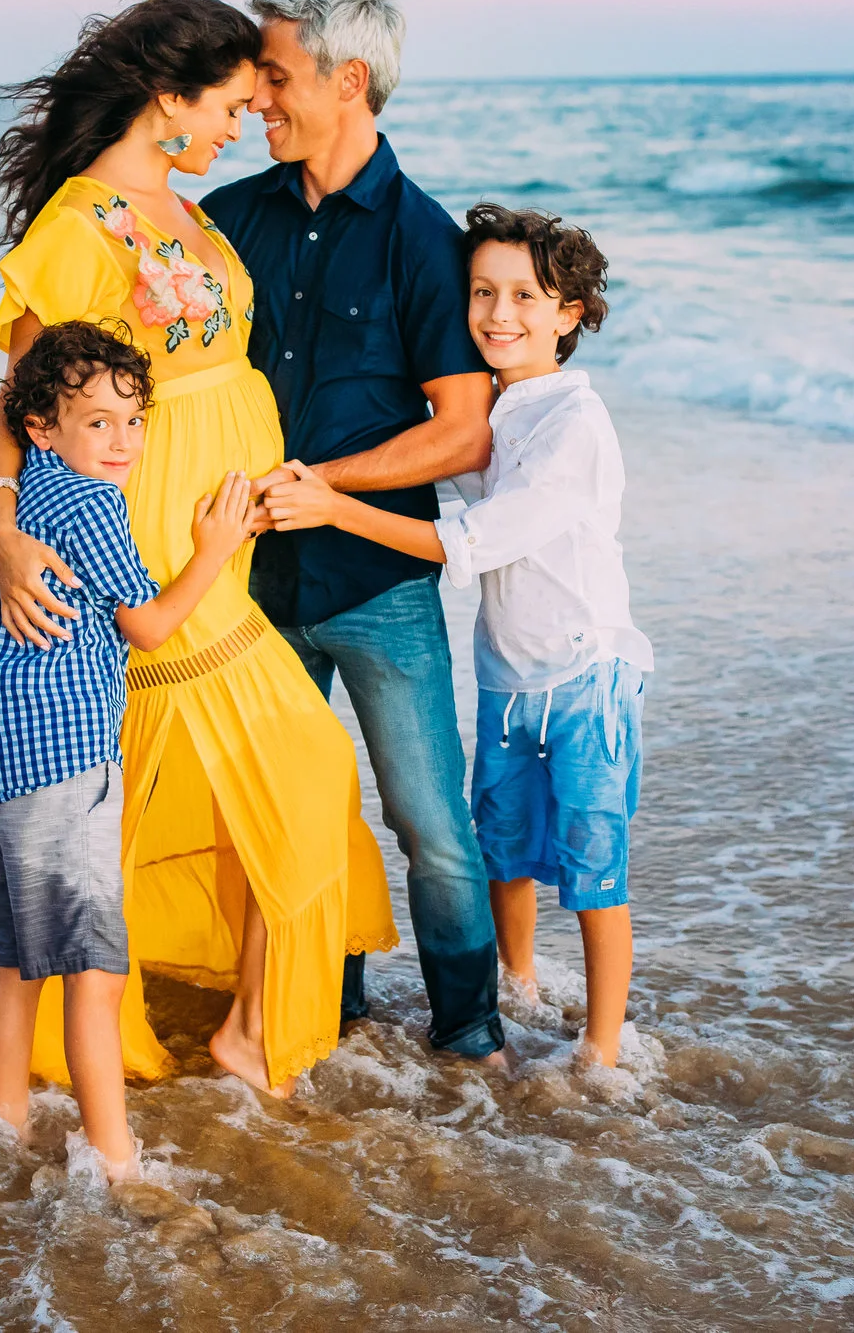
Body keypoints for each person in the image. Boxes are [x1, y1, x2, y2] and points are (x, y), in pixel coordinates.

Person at [0, 0, 397, 1099]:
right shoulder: (79, 226)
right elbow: (16, 403)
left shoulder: (184, 208)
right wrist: (3, 526)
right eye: (226, 101)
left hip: (223, 533)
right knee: (284, 763)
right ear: (165, 99)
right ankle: (129, 1037)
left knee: (179, 775)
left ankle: (215, 1027)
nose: (244, 117)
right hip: (158, 540)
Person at [261, 203, 651, 1068]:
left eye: (525, 295)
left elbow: (465, 539)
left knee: (593, 864)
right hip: (509, 676)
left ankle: (601, 1045)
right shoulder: (500, 411)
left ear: (571, 314)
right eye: (482, 292)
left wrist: (332, 505)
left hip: (586, 675)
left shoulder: (573, 426)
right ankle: (517, 985)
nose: (498, 314)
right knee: (502, 846)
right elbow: (439, 490)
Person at [206, 0, 508, 1065]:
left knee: (429, 826)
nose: (256, 100)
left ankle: (470, 1036)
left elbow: (463, 431)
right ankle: (320, 1018)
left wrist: (327, 486)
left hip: (378, 587)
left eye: (274, 76)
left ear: (348, 79)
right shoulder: (226, 222)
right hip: (245, 588)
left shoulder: (425, 240)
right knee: (290, 819)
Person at [0, 321, 253, 1180]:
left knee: (15, 959)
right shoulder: (89, 503)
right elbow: (150, 627)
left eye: (133, 420)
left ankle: (4, 1121)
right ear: (41, 425)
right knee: (93, 964)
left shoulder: (25, 497)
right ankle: (113, 1154)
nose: (121, 442)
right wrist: (214, 551)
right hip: (63, 755)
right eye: (97, 422)